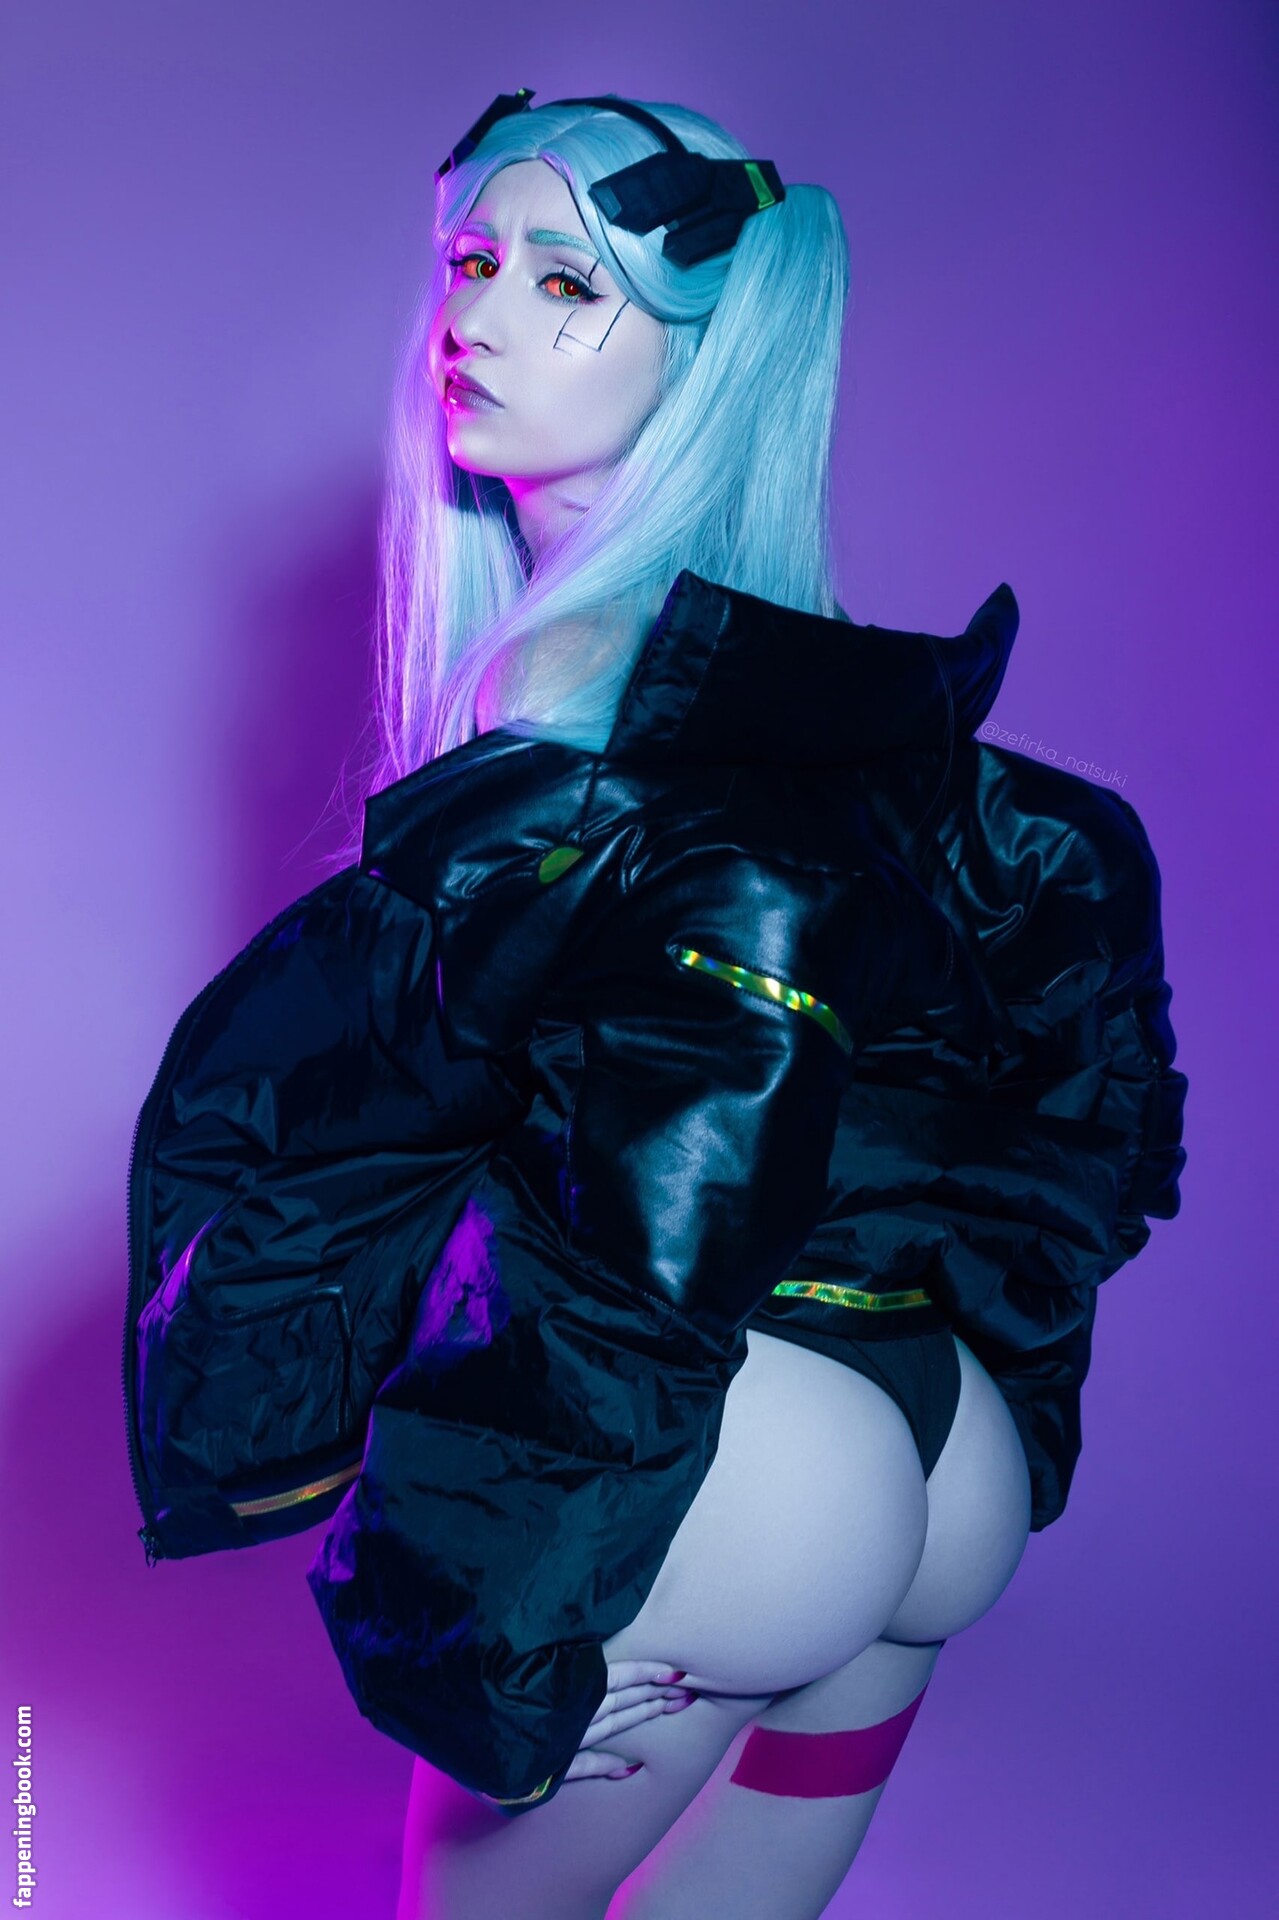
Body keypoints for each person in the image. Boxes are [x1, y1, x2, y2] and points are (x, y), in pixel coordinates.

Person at [121, 89, 1187, 1920]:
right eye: (473, 262)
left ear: (705, 358)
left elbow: (632, 1169)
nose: (479, 319)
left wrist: (509, 1604)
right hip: (934, 1443)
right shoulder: (805, 686)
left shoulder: (560, 672)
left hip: (728, 1456)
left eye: (566, 283)